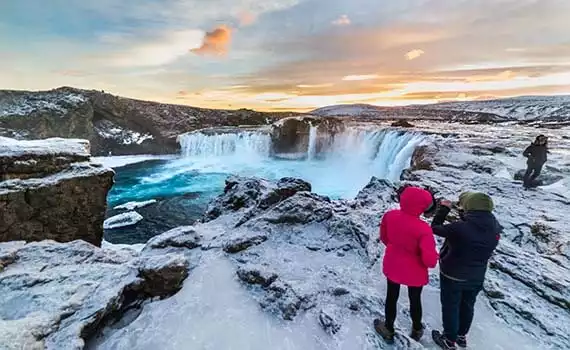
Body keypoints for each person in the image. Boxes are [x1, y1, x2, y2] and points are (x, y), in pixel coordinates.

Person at [430, 192, 501, 350]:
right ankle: (461, 336)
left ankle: (449, 340)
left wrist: (444, 209)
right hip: (477, 275)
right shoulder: (495, 226)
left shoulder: (459, 228)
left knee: (451, 306)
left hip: (453, 274)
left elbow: (435, 228)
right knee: (468, 305)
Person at [374, 186, 439, 344]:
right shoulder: (423, 229)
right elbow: (430, 261)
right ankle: (417, 329)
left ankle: (388, 328)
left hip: (393, 265)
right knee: (415, 299)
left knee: (391, 297)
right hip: (415, 271)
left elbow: (384, 238)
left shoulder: (390, 216)